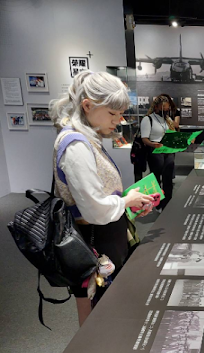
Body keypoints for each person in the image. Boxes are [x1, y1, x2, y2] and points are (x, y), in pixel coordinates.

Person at [49, 71, 153, 326]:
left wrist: (128, 198)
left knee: (104, 303)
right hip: (95, 239)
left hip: (102, 236)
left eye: (119, 114)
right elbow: (94, 210)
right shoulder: (76, 145)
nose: (117, 121)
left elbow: (95, 195)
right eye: (112, 113)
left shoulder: (85, 139)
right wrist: (126, 202)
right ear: (87, 105)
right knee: (97, 306)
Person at [140, 94, 178, 210]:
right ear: (156, 107)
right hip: (155, 151)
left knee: (168, 178)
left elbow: (173, 135)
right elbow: (144, 138)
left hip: (168, 150)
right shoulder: (148, 119)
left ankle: (168, 203)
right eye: (163, 107)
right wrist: (153, 144)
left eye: (167, 107)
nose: (166, 110)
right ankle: (157, 203)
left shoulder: (168, 120)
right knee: (156, 178)